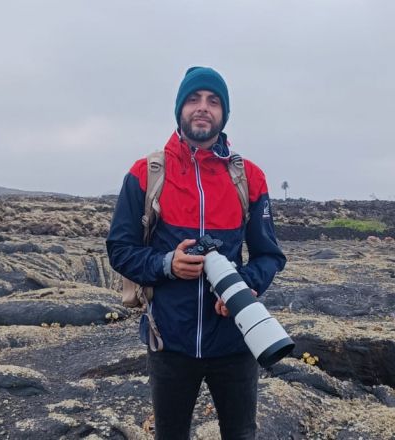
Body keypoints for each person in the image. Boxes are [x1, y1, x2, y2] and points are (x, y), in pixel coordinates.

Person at [106, 66, 286, 440]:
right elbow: (120, 250)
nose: (203, 108)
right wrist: (166, 264)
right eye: (193, 99)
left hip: (236, 342)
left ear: (224, 113)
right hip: (170, 342)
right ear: (180, 110)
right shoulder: (146, 173)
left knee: (241, 434)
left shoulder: (249, 177)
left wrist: (241, 286)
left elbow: (270, 256)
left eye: (213, 101)